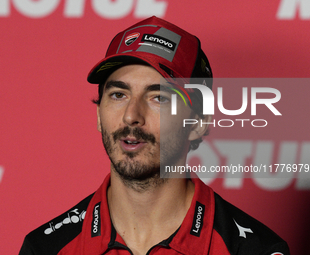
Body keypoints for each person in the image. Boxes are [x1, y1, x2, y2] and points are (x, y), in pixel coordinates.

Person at [19, 16, 290, 255]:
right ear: (99, 116)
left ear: (198, 122)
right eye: (118, 95)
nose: (131, 116)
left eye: (158, 97)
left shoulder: (256, 250)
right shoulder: (46, 248)